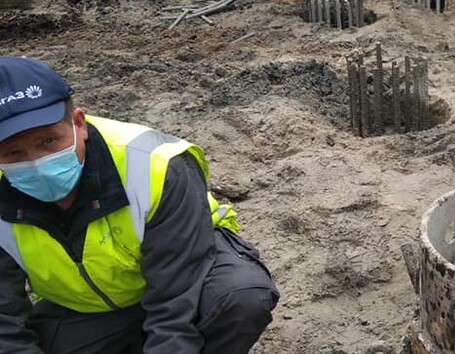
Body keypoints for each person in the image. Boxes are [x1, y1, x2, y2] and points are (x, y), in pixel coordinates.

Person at [0, 57, 279, 353]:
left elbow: (176, 307)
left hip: (188, 279)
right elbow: (4, 321)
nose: (37, 163)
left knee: (239, 296)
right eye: (13, 152)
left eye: (48, 141)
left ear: (79, 123)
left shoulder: (154, 165)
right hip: (90, 310)